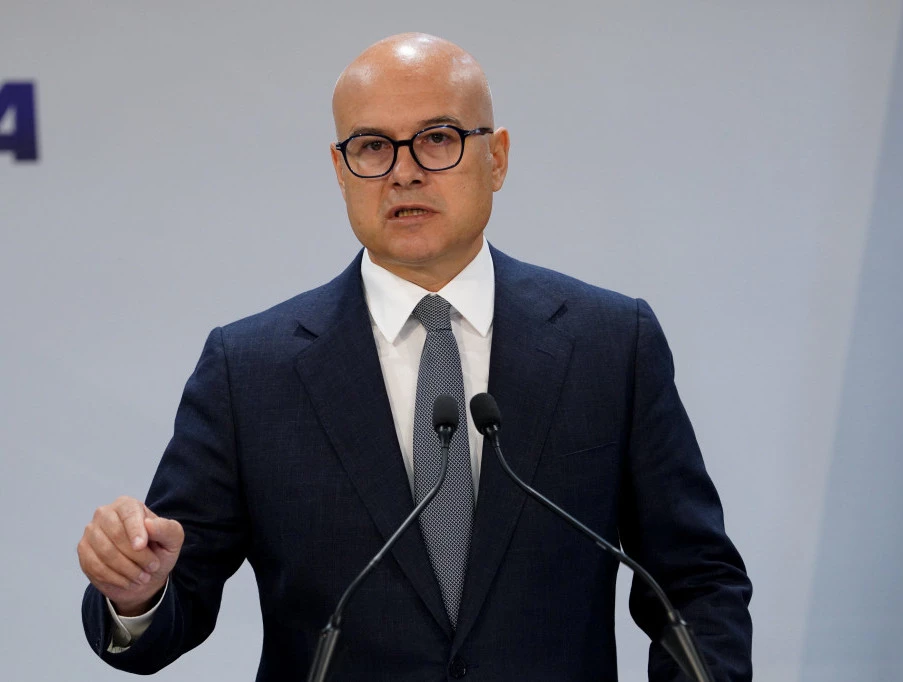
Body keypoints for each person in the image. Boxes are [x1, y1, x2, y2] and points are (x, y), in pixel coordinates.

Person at [78, 33, 753, 681]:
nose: (404, 171)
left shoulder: (610, 344)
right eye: (373, 146)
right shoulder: (249, 371)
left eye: (437, 138)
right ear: (340, 170)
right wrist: (136, 591)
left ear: (497, 158)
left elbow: (696, 581)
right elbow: (171, 596)